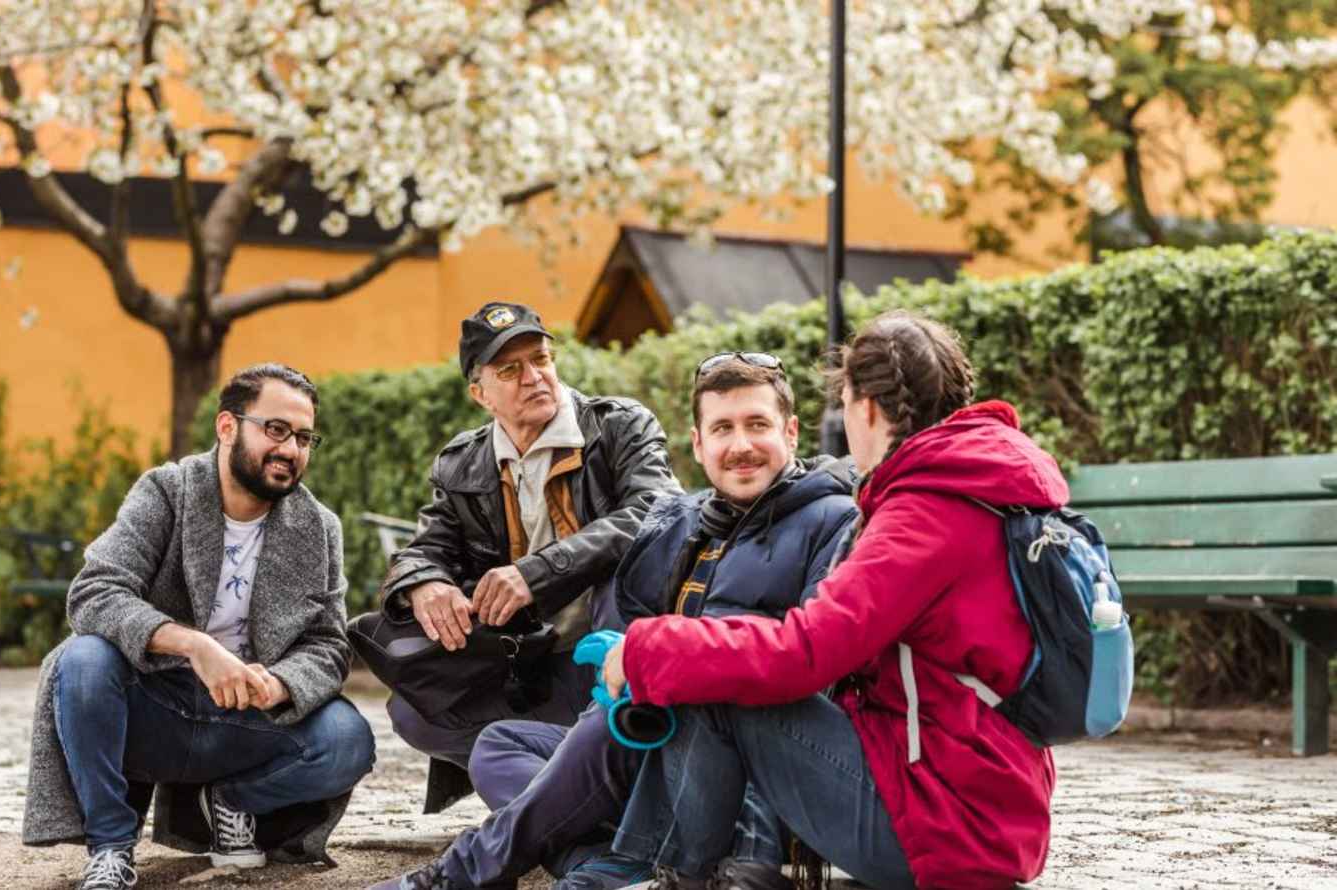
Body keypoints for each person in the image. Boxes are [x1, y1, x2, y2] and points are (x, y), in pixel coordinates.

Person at [600, 311, 1064, 890]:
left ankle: (681, 878)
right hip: (982, 801)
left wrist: (651, 646)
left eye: (843, 405)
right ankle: (725, 870)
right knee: (711, 658)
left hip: (947, 828)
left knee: (708, 672)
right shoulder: (971, 487)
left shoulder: (926, 514)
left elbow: (805, 653)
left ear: (865, 409)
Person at [369, 353, 860, 890]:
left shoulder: (833, 520)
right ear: (698, 445)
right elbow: (628, 650)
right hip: (654, 751)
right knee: (502, 744)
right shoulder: (687, 524)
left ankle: (463, 874)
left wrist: (652, 662)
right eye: (723, 428)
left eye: (757, 424)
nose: (740, 445)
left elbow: (815, 668)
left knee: (621, 715)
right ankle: (602, 858)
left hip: (757, 776)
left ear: (791, 432)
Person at [21, 363, 376, 890]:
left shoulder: (319, 527)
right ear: (228, 427)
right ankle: (111, 847)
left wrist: (280, 684)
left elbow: (328, 644)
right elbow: (95, 593)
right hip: (153, 704)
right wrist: (193, 645)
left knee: (348, 739)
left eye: (304, 438)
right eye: (276, 429)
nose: (291, 449)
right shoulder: (167, 491)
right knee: (83, 659)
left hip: (248, 718)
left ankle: (228, 802)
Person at [376, 301, 680, 810]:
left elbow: (657, 510)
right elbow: (426, 548)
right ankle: (575, 784)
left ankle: (574, 785)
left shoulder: (618, 426)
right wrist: (425, 582)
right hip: (531, 665)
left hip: (614, 655)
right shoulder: (461, 463)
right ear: (480, 393)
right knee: (412, 713)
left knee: (620, 577)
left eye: (541, 359)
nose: (534, 377)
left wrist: (534, 574)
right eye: (509, 369)